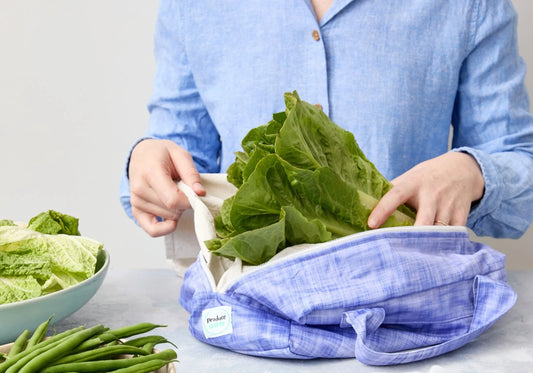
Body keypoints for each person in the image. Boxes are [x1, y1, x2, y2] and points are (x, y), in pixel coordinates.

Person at [120, 0, 533, 246]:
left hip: (410, 314)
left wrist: (473, 171)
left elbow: (520, 166)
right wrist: (146, 162)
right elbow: (176, 153)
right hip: (244, 315)